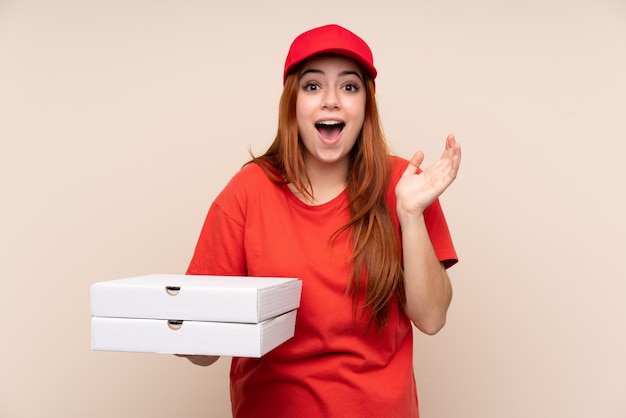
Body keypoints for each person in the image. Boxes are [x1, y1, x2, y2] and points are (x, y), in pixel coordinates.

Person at [180, 23, 461, 418]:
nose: (331, 101)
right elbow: (201, 353)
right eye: (313, 86)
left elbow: (432, 318)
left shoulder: (406, 185)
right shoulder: (247, 192)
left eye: (349, 87)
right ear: (292, 102)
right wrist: (177, 326)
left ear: (367, 103)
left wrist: (411, 216)